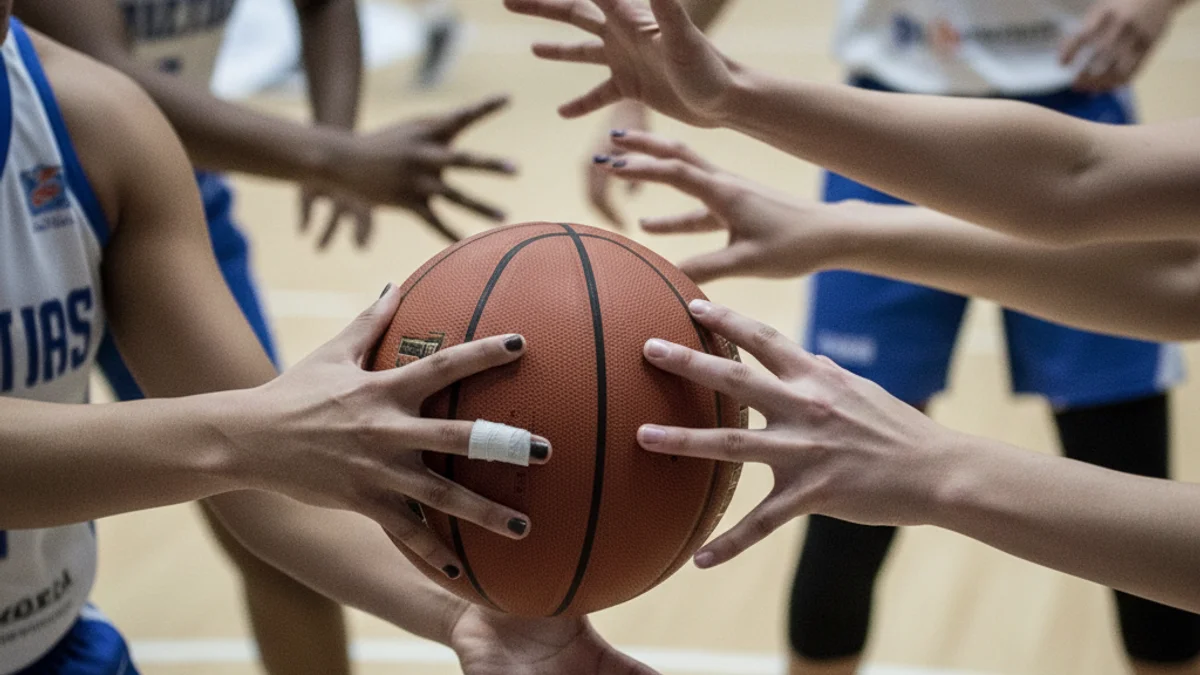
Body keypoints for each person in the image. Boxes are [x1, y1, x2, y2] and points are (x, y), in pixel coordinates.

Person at [503, 0, 1200, 653]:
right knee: (837, 512)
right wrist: (835, 225)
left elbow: (1086, 186)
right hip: (899, 113)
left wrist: (940, 470)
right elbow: (1135, 242)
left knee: (1121, 456)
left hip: (1070, 92)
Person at [0, 12, 655, 675]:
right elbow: (249, 443)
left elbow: (266, 491)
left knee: (283, 557)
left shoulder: (94, 118)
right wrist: (254, 438)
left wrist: (468, 611)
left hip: (52, 645)